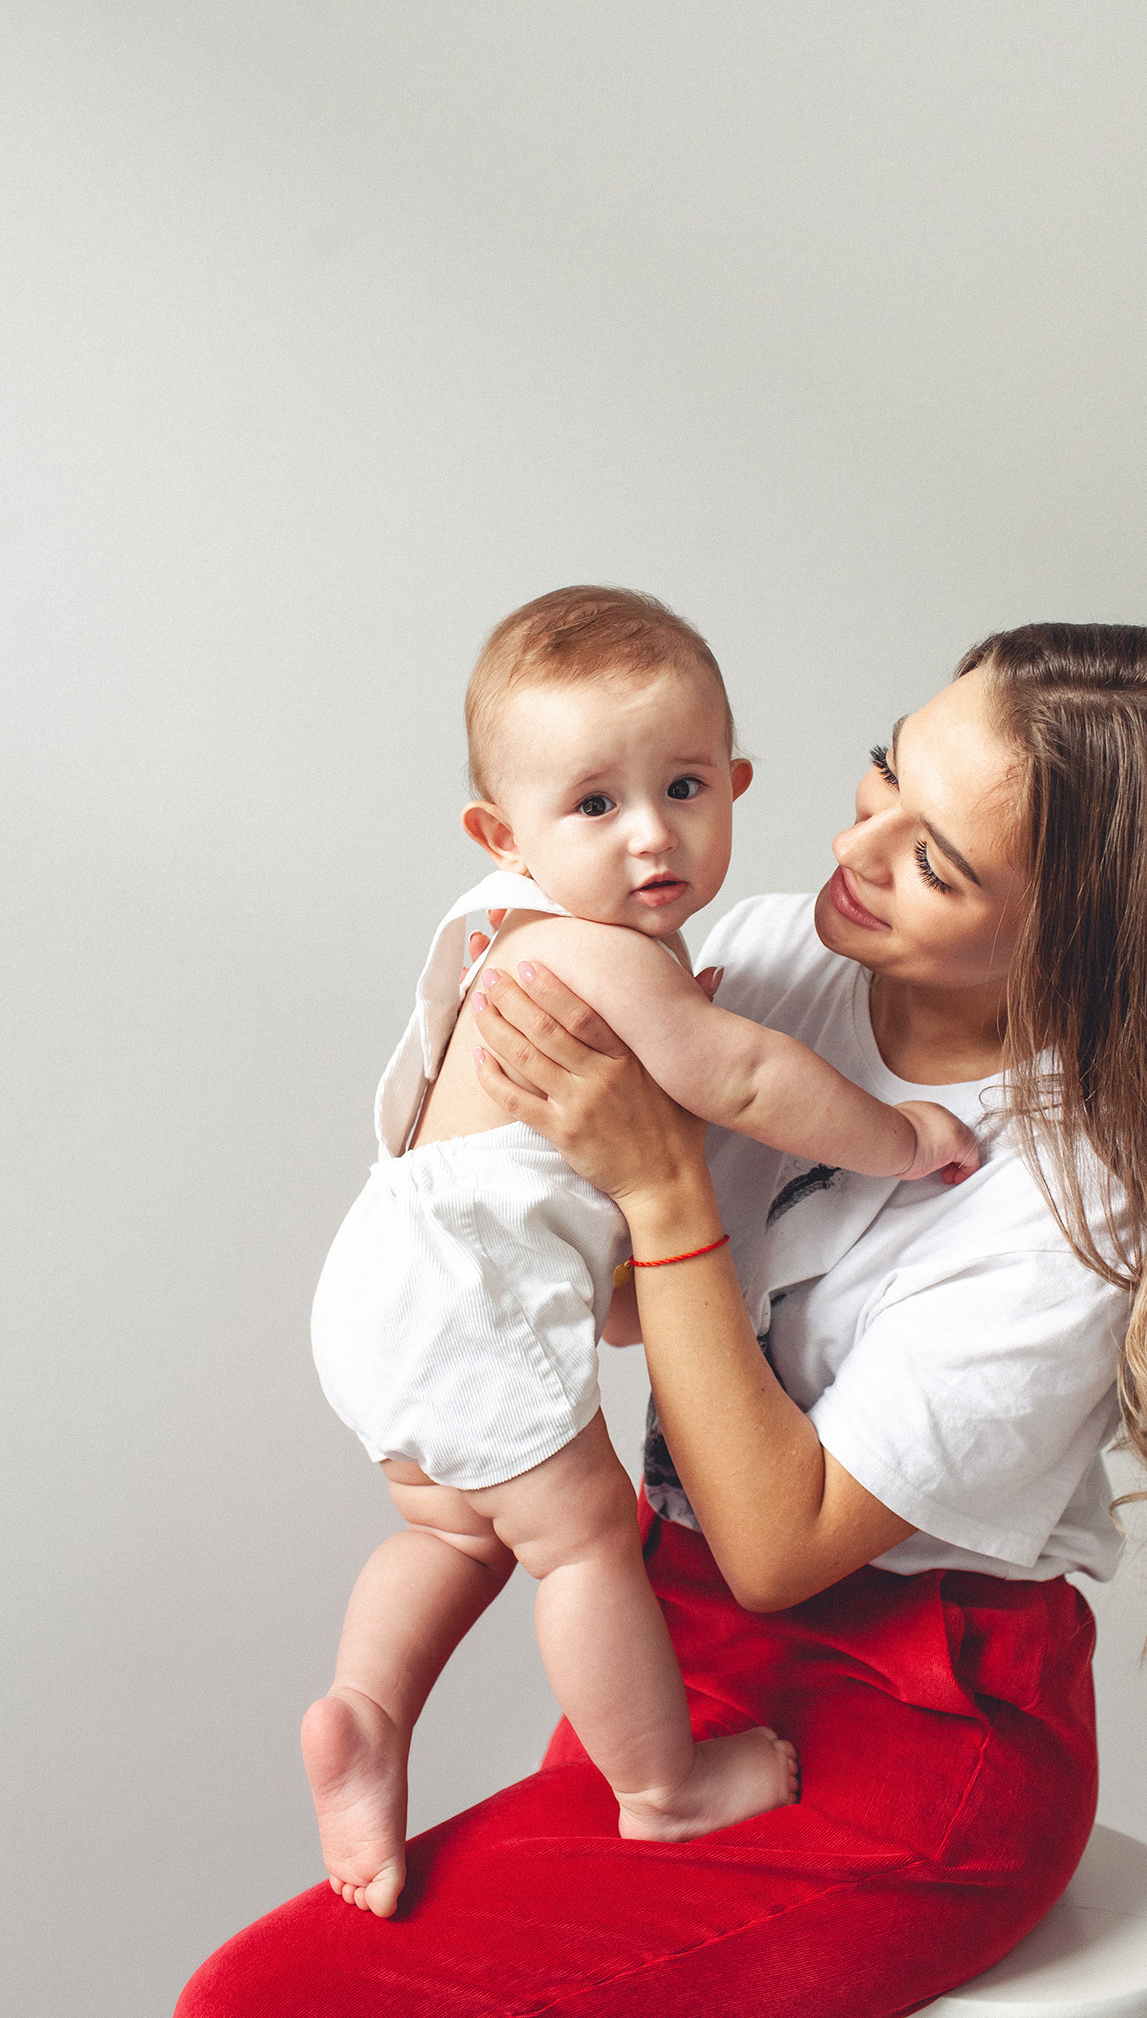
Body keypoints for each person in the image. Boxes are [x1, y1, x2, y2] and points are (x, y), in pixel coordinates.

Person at [178, 622, 1147, 2018]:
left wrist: (661, 1184)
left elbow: (777, 1547)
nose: (856, 853)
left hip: (909, 1733)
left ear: (1099, 935)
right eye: (882, 778)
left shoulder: (1078, 1209)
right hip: (669, 1654)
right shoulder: (753, 951)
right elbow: (609, 1295)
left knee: (269, 2002)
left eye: (936, 861)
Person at [303, 587, 980, 1917]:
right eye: (592, 808)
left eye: (681, 787)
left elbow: (571, 1178)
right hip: (467, 1306)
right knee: (583, 1548)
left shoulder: (503, 931)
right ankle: (662, 1786)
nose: (651, 839)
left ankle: (367, 1711)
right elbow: (739, 1076)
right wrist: (896, 1140)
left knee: (450, 1528)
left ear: (735, 783)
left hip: (381, 1290)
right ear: (503, 835)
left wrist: (614, 1286)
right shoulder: (608, 958)